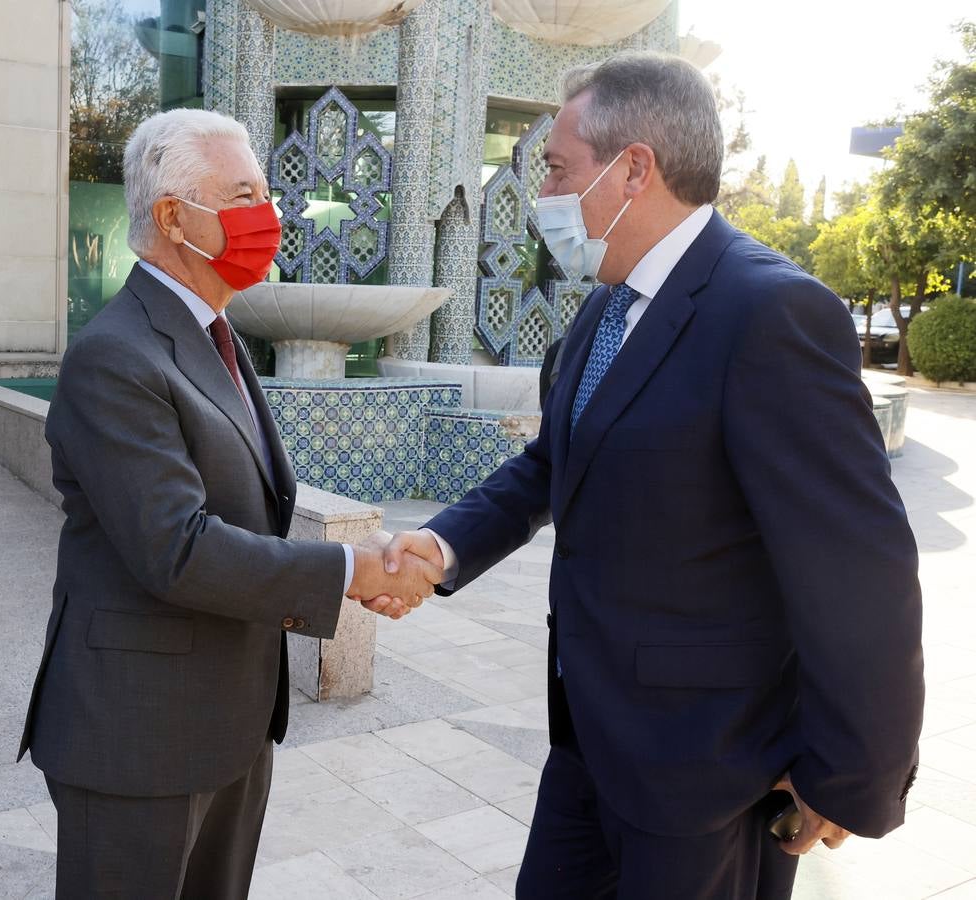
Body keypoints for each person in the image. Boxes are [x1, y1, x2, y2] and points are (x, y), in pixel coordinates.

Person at [382, 52, 924, 899]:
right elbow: (549, 466)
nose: (543, 195)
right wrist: (442, 545)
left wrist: (850, 774)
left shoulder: (769, 313)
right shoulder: (603, 309)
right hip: (588, 744)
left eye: (556, 169)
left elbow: (859, 572)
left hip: (708, 771)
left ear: (633, 169)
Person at [18, 108, 438, 899]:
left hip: (229, 724)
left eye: (266, 194)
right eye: (244, 194)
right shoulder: (115, 355)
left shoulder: (216, 332)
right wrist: (353, 568)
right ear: (175, 217)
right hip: (137, 740)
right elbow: (176, 547)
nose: (267, 216)